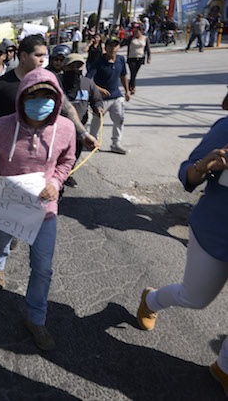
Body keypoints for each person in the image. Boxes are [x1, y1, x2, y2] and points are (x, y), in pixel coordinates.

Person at [0, 67, 76, 351]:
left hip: (44, 207)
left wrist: (56, 183)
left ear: (57, 100)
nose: (41, 103)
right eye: (34, 97)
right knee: (1, 241)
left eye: (49, 97)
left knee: (43, 268)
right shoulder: (0, 126)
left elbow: (67, 161)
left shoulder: (67, 127)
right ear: (22, 98)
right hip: (9, 204)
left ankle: (36, 318)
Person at [136, 111, 228, 393]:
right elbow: (187, 174)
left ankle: (223, 368)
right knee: (195, 298)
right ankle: (151, 300)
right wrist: (205, 166)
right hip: (216, 231)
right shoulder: (226, 128)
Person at [58, 53, 103, 187]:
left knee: (74, 154)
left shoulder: (87, 83)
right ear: (64, 68)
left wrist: (98, 108)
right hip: (58, 127)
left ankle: (68, 174)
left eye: (79, 66)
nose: (75, 70)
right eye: (72, 67)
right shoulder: (56, 81)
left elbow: (96, 99)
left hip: (80, 129)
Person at [87, 38, 131, 154]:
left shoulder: (121, 60)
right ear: (105, 48)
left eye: (115, 46)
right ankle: (92, 142)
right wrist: (99, 89)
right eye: (110, 46)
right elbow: (87, 79)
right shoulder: (98, 62)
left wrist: (127, 91)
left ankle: (116, 143)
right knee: (97, 121)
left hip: (117, 96)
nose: (113, 49)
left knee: (120, 119)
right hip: (100, 99)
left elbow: (123, 76)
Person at [127, 27, 151, 95]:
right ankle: (133, 87)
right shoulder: (131, 38)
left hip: (140, 58)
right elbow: (127, 46)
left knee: (134, 73)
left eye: (137, 32)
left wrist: (148, 58)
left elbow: (147, 49)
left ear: (141, 32)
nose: (136, 33)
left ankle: (130, 85)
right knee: (133, 72)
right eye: (135, 32)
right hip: (131, 58)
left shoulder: (145, 38)